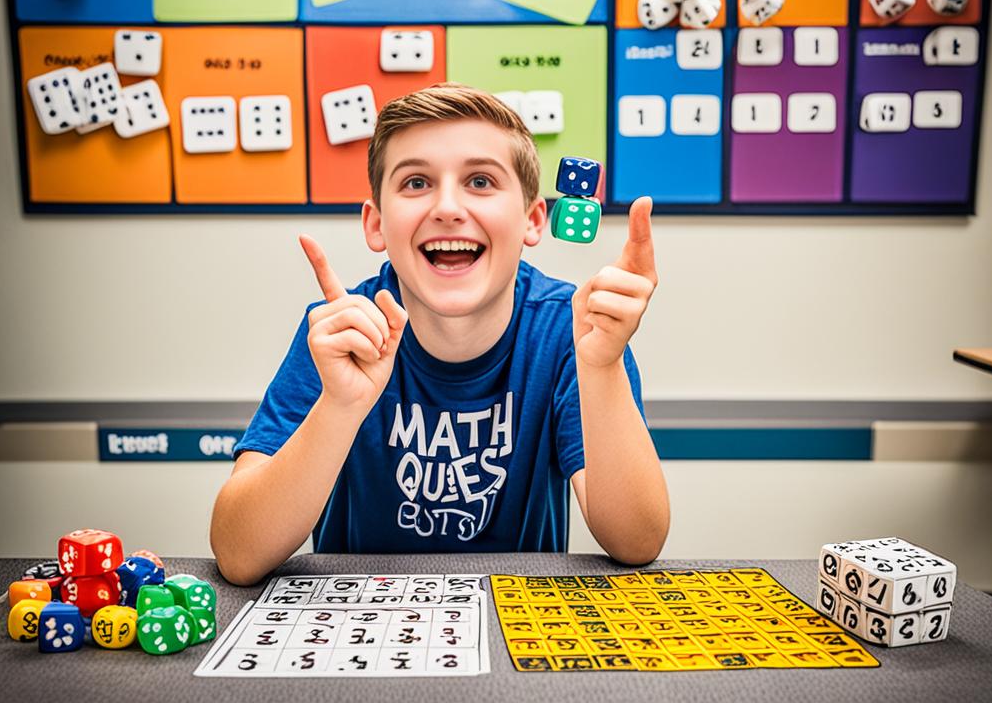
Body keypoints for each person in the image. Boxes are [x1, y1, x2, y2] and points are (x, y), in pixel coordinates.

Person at [210, 83, 669, 586]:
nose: (448, 207)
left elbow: (637, 542)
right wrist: (339, 406)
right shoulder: (338, 335)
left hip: (512, 634)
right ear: (377, 224)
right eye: (415, 183)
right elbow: (238, 553)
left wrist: (601, 368)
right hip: (358, 628)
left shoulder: (571, 334)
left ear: (532, 220)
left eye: (479, 181)